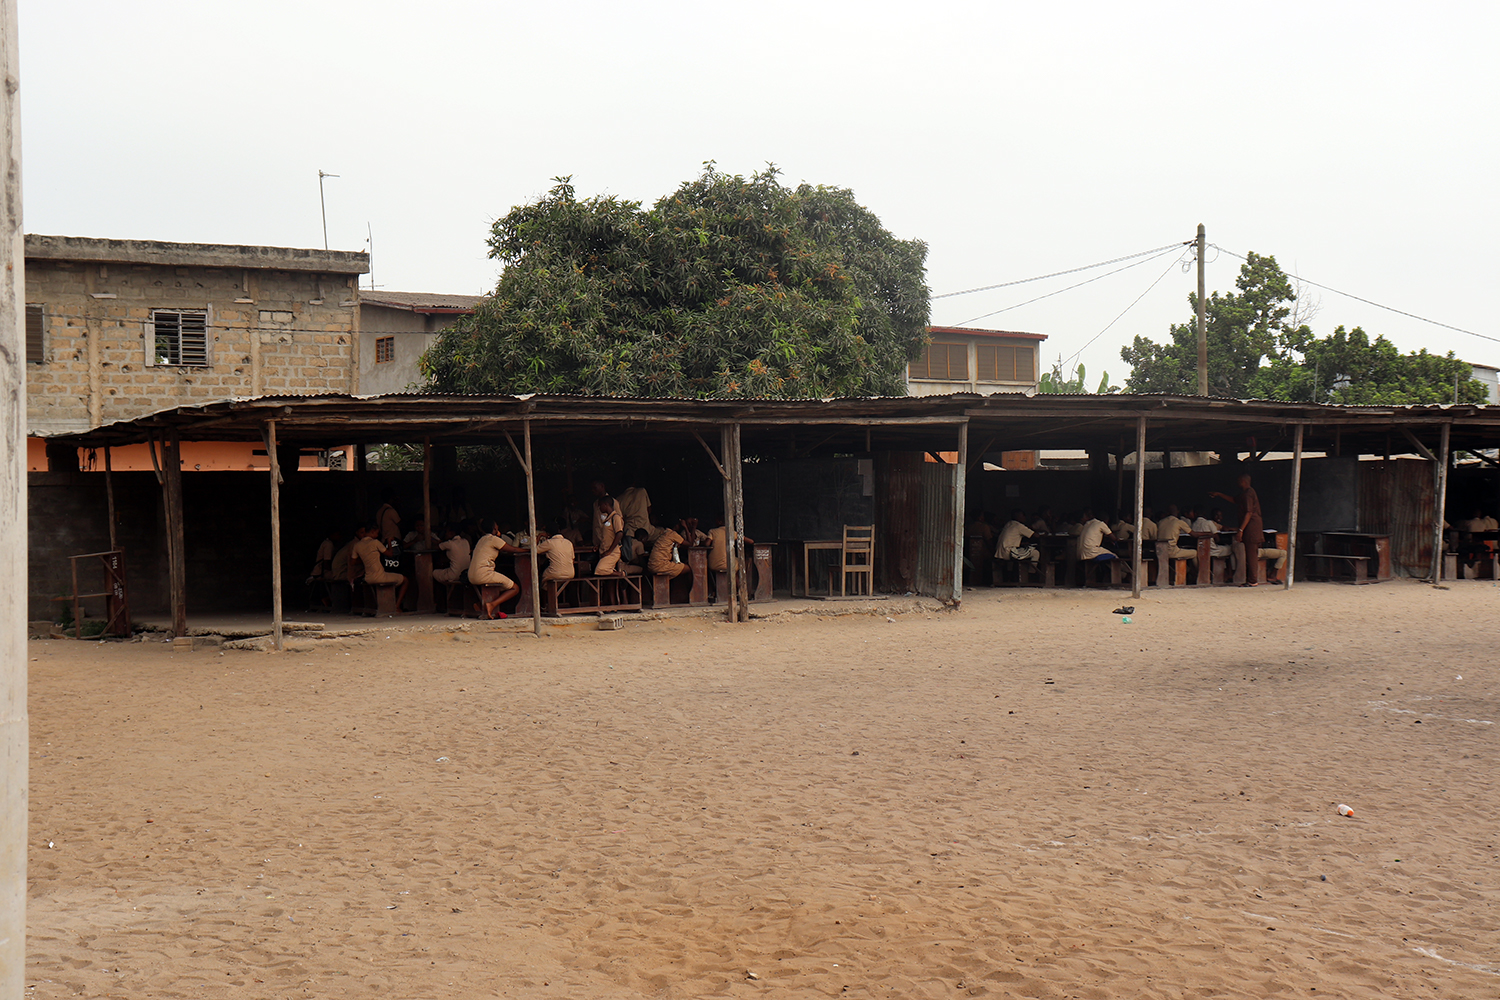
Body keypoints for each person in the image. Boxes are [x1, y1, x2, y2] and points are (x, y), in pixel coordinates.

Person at [1211, 473, 1265, 586]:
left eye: (1239, 480)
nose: (1237, 482)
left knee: (1251, 554)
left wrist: (1240, 530)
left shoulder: (1248, 494)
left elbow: (1249, 512)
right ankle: (1251, 579)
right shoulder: (1244, 494)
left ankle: (1253, 580)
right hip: (1249, 527)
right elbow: (1234, 500)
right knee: (1249, 553)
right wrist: (1219, 494)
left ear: (1243, 481)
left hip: (1252, 527)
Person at [468, 518, 523, 618]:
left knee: (502, 585)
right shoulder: (494, 539)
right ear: (495, 528)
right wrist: (529, 549)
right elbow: (513, 549)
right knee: (515, 588)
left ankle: (481, 604)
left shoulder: (482, 539)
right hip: (484, 574)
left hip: (471, 575)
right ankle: (491, 604)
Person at [352, 524, 409, 609]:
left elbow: (353, 562)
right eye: (377, 533)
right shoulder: (375, 542)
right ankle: (396, 607)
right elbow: (390, 554)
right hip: (380, 577)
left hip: (368, 578)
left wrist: (366, 558)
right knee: (405, 580)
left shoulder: (357, 545)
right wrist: (389, 542)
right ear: (372, 532)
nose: (377, 535)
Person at [594, 498, 629, 575]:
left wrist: (610, 551)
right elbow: (608, 536)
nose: (599, 508)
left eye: (600, 506)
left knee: (600, 570)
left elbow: (619, 534)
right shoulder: (607, 519)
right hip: (604, 551)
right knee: (607, 577)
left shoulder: (616, 517)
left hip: (612, 552)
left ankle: (621, 574)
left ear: (606, 505)